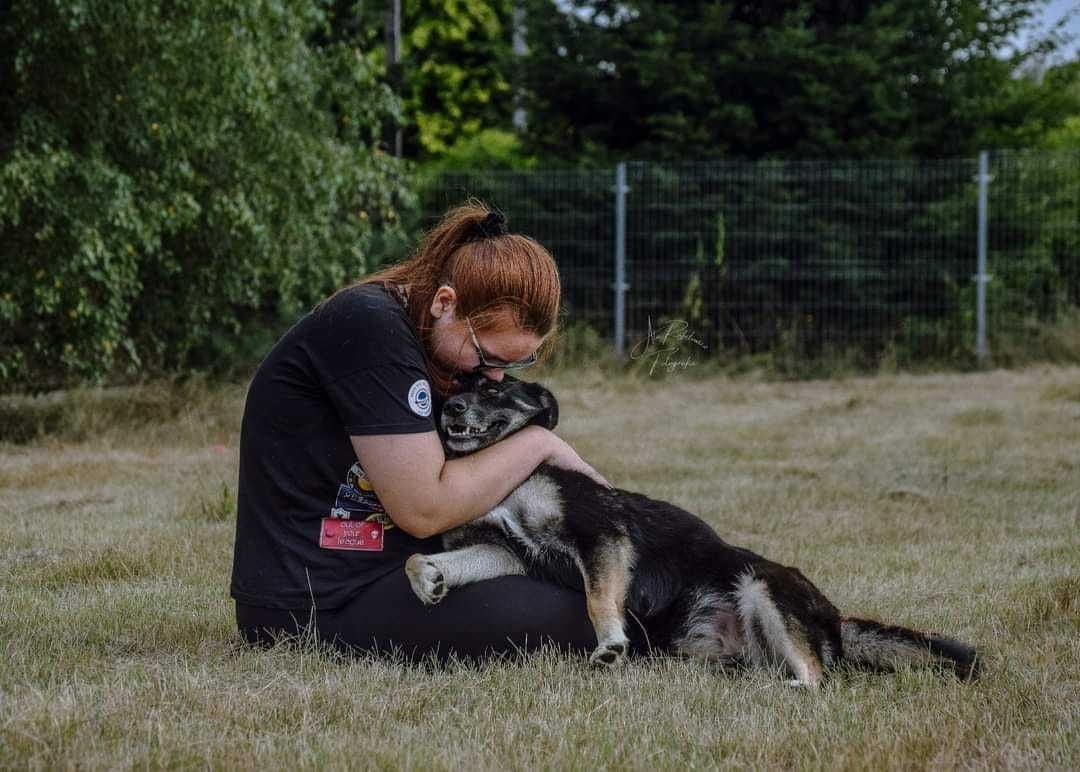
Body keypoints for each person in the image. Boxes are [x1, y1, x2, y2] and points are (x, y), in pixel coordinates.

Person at [230, 201, 611, 663]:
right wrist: (540, 444)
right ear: (445, 303)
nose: (493, 379)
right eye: (487, 357)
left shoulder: (447, 351)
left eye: (512, 365)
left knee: (598, 581)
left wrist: (613, 519)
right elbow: (423, 509)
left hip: (400, 570)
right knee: (581, 616)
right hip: (316, 598)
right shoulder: (371, 326)